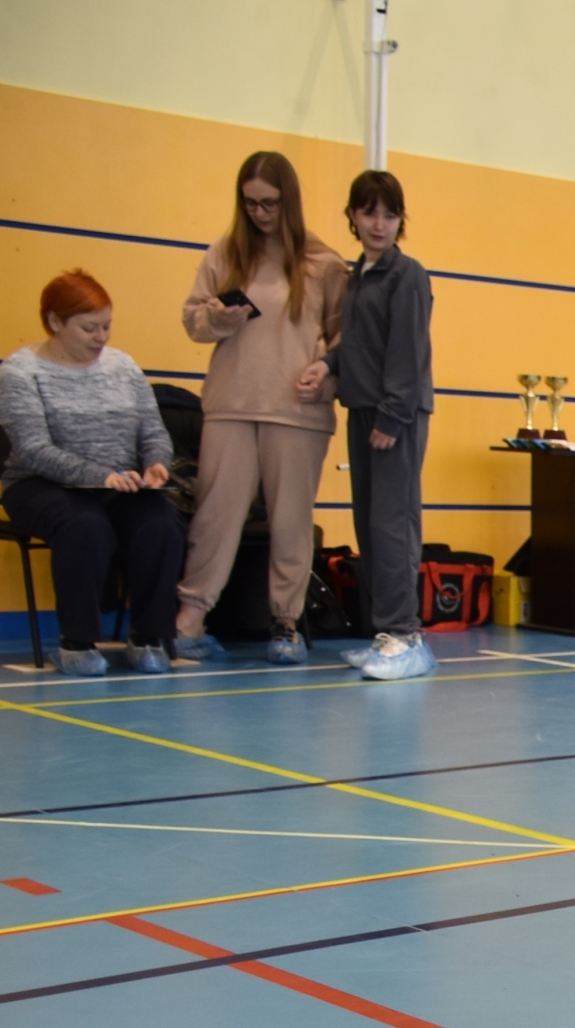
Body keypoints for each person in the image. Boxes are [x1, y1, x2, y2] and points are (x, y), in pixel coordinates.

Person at [172, 152, 347, 667]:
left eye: (269, 203)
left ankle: (286, 622)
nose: (259, 213)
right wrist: (217, 318)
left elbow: (343, 340)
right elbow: (192, 320)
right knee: (214, 515)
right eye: (249, 203)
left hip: (296, 408)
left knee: (291, 521)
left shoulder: (325, 263)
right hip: (230, 402)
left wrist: (329, 376)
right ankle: (190, 618)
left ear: (288, 201)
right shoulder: (226, 252)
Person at [0, 271, 185, 676]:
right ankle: (77, 643)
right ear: (54, 323)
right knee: (85, 525)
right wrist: (101, 475)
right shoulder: (20, 372)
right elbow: (32, 449)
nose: (101, 337)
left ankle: (149, 637)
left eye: (106, 326)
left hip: (117, 484)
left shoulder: (124, 366)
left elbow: (152, 430)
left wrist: (156, 462)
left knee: (161, 523)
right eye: (89, 328)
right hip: (39, 484)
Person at [299, 169, 434, 682]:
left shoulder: (407, 275)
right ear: (352, 218)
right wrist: (329, 365)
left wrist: (395, 415)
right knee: (369, 526)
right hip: (363, 409)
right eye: (369, 212)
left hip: (393, 415)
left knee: (392, 524)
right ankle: (388, 634)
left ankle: (406, 636)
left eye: (390, 214)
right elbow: (361, 342)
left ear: (401, 220)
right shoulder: (358, 275)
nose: (379, 223)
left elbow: (407, 348)